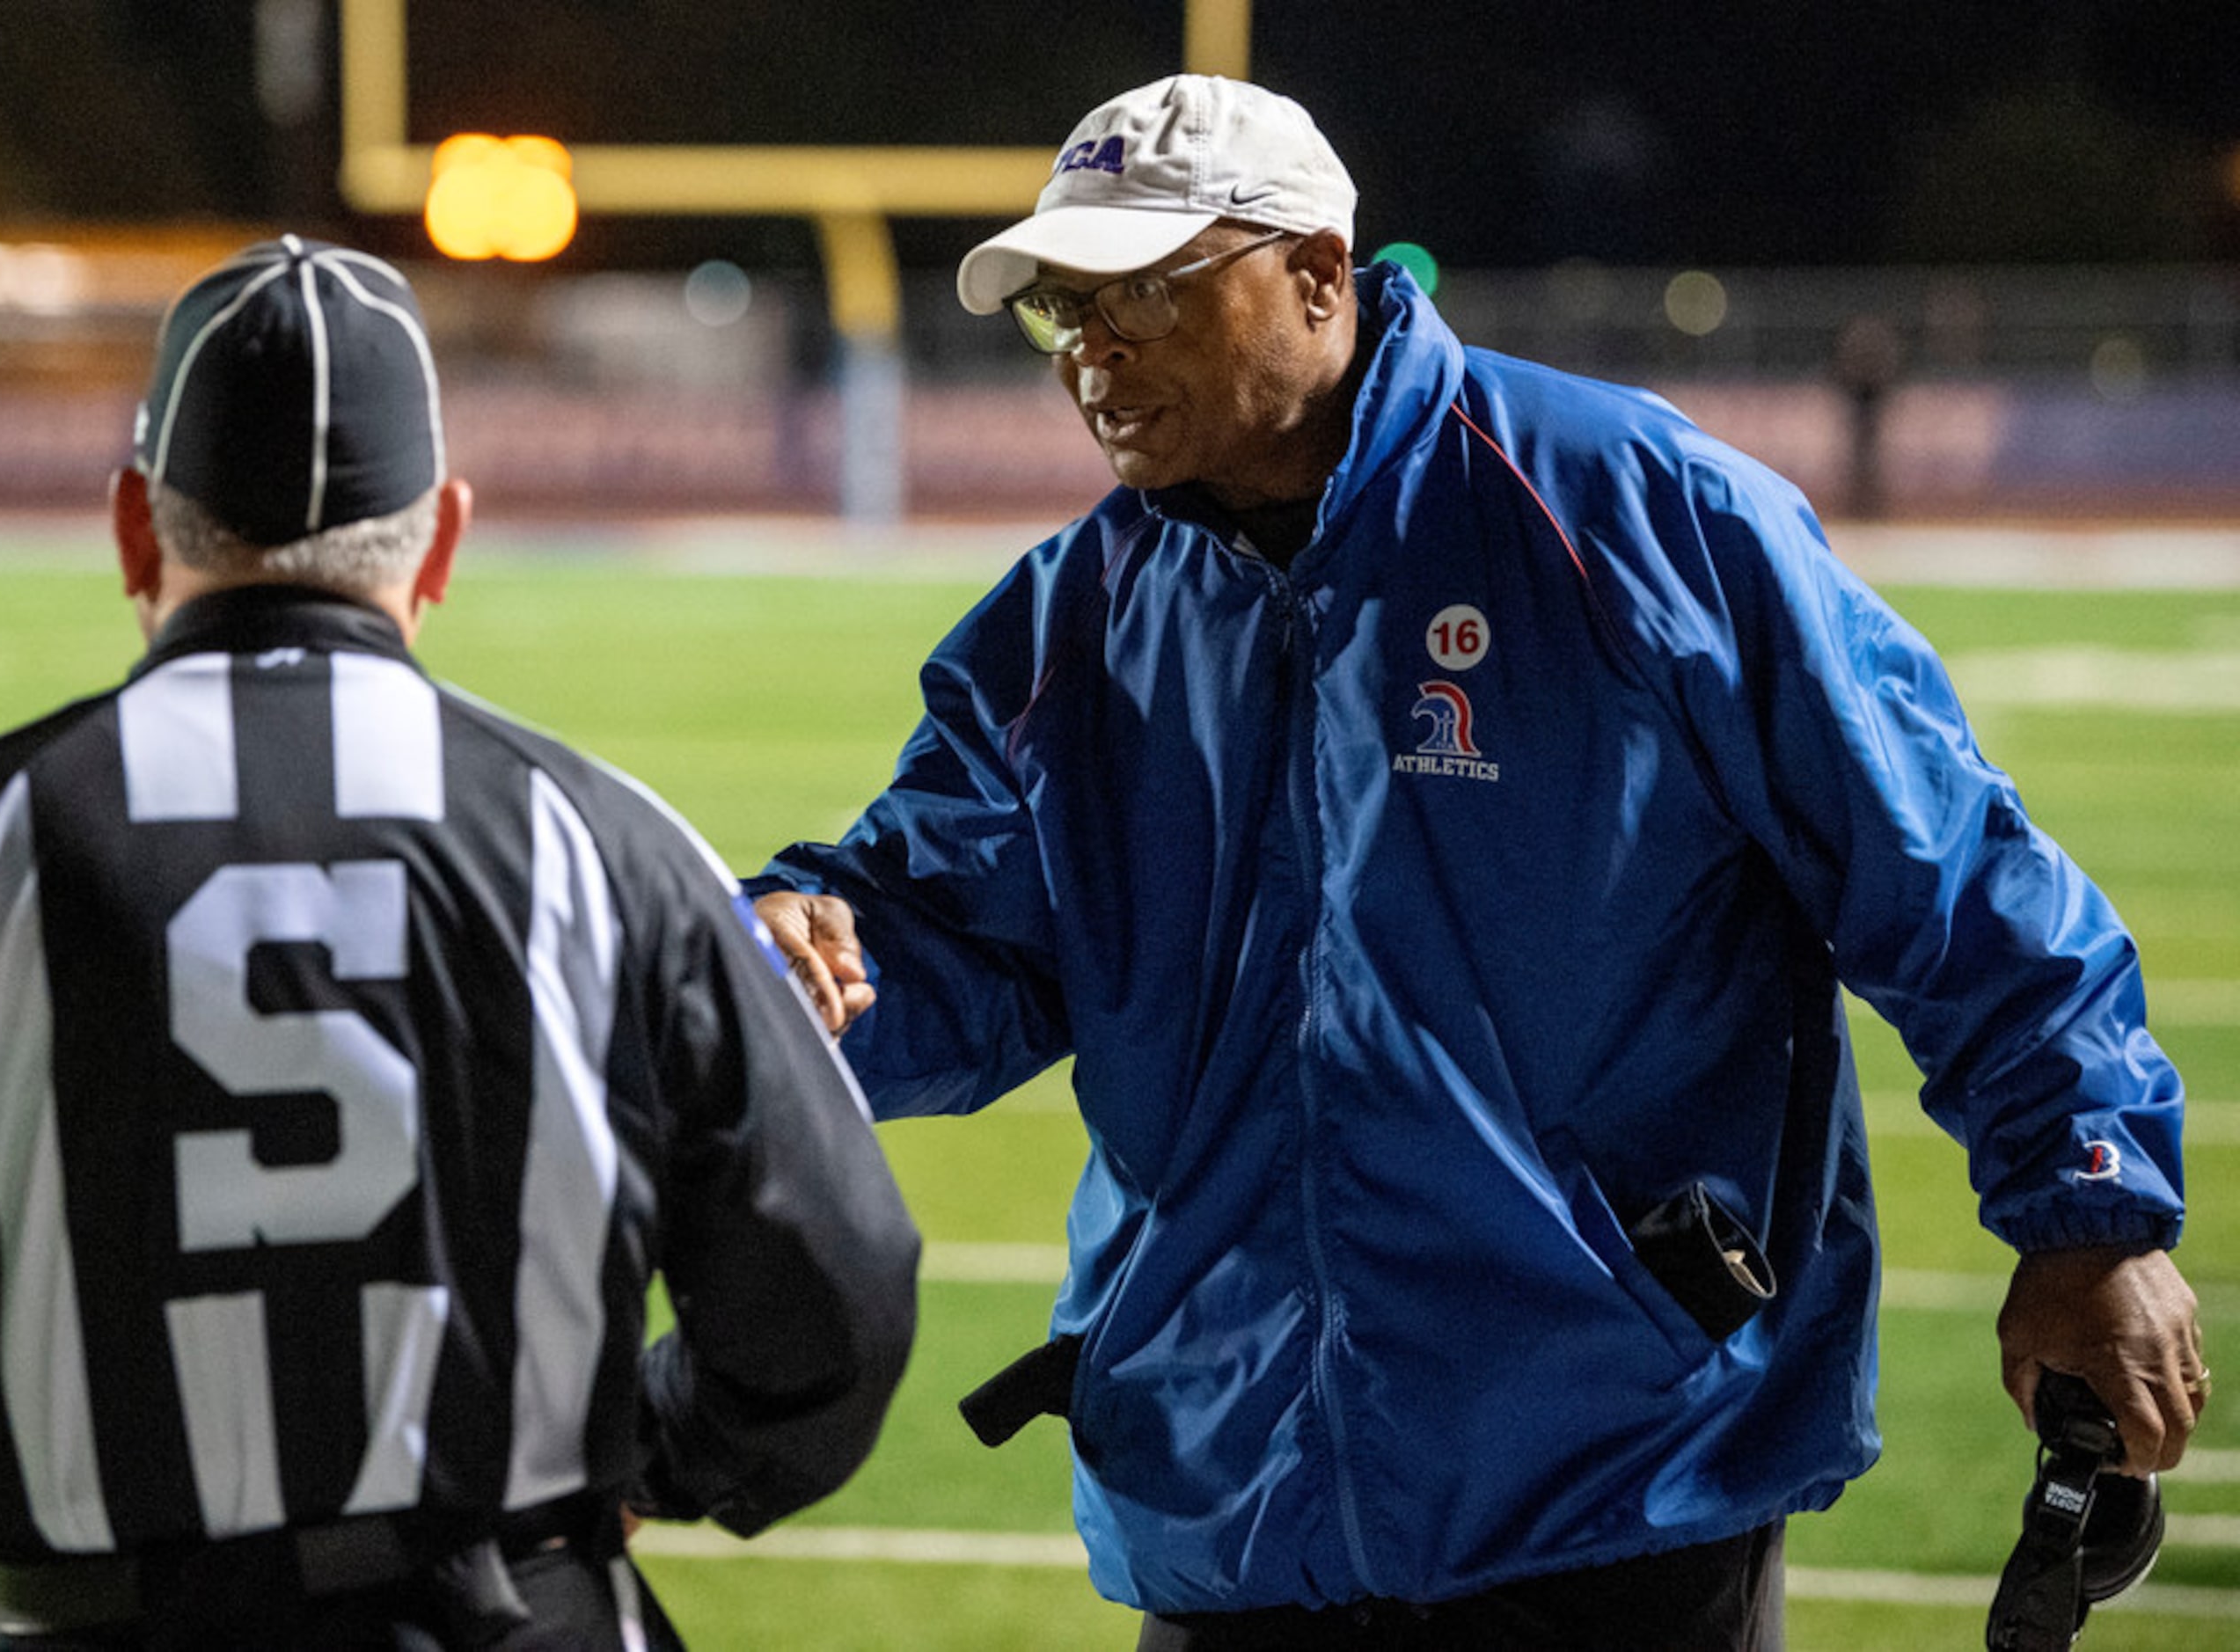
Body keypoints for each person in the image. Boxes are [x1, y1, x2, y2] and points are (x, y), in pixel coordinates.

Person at [752, 74, 2203, 1649]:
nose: (1092, 354)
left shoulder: (1632, 512)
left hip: (1613, 1477)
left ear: (1315, 272)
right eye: (1063, 313)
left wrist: (2088, 1210)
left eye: (1145, 296)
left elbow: (1943, 861)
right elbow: (946, 930)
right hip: (1228, 1491)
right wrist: (795, 967)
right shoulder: (1074, 620)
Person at [0, 236, 919, 1650]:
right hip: (504, 1610)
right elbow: (835, 1302)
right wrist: (642, 1456)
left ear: (136, 523)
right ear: (441, 538)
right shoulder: (604, 841)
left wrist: (30, 1523)